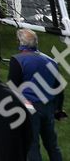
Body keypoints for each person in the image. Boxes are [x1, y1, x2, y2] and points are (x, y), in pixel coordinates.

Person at [10, 28, 65, 161]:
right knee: (52, 145)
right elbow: (59, 87)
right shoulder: (51, 61)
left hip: (29, 108)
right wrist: (58, 109)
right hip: (48, 107)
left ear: (20, 42)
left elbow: (13, 88)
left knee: (32, 145)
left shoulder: (18, 60)